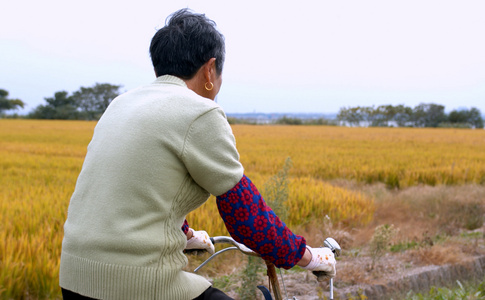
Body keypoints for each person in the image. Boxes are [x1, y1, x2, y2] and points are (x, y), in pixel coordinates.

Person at [59, 8, 336, 300]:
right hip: (136, 285)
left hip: (75, 278)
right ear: (210, 69)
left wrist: (187, 236)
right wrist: (309, 256)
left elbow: (140, 190)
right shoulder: (200, 112)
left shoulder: (121, 104)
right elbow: (248, 218)